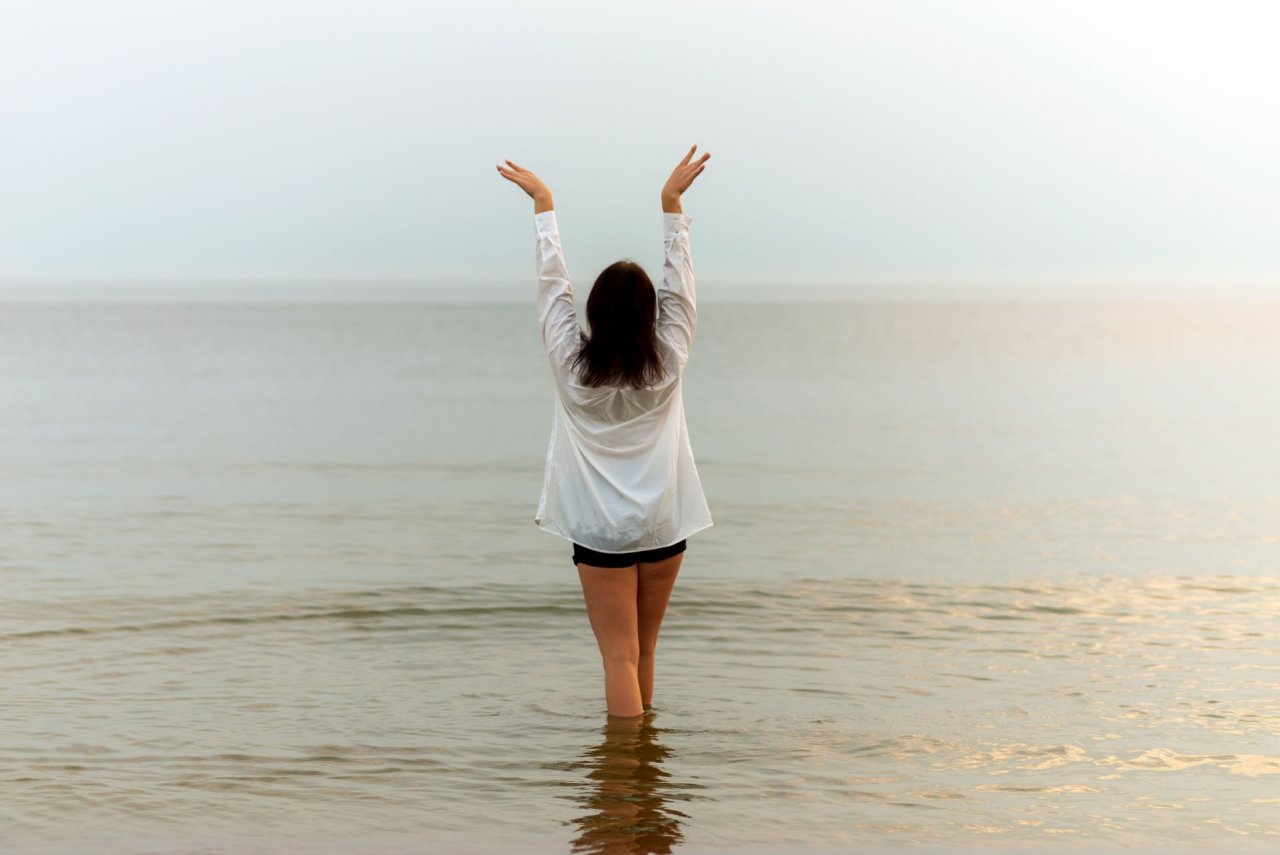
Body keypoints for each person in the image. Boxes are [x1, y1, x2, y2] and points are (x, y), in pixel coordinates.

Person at [496, 145, 714, 719]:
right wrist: (672, 208)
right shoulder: (668, 361)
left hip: (600, 534)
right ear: (651, 316)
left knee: (617, 656)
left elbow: (552, 289)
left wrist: (544, 207)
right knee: (644, 650)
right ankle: (644, 779)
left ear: (594, 311)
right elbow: (681, 291)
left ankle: (622, 783)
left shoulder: (573, 367)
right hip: (664, 525)